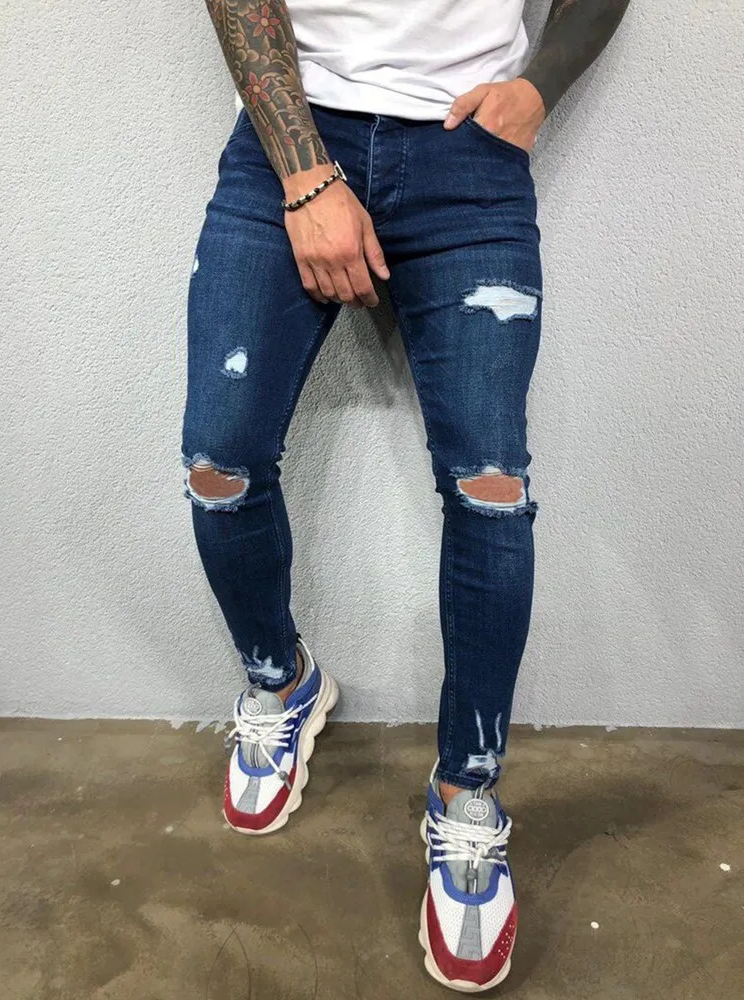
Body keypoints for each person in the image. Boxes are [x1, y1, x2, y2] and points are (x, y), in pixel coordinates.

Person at [182, 0, 630, 991]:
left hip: (465, 154)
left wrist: (538, 87)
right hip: (288, 143)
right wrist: (307, 175)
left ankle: (467, 792)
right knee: (219, 464)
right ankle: (281, 681)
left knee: (491, 489)